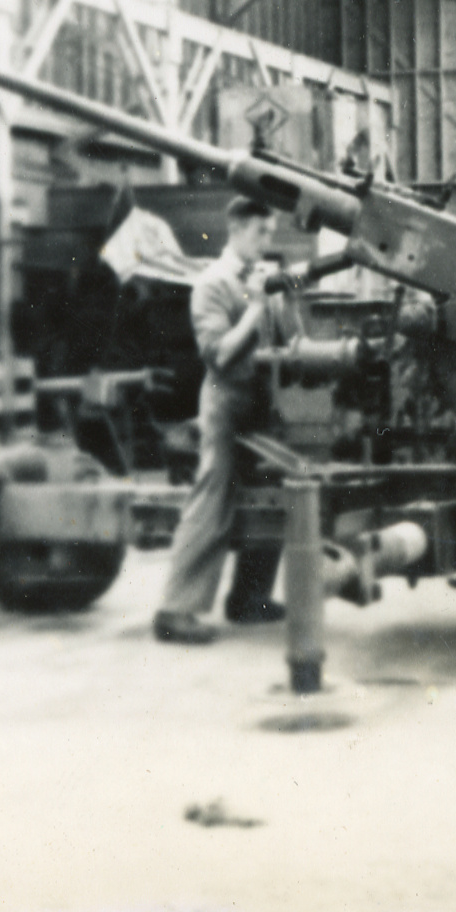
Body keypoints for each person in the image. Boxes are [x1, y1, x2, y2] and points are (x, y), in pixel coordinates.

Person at [153, 195, 290, 644]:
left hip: (265, 399)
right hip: (226, 398)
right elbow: (219, 354)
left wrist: (283, 304)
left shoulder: (261, 279)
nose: (267, 242)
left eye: (271, 233)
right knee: (214, 491)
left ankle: (250, 598)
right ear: (236, 230)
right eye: (260, 233)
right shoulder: (211, 283)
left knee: (272, 493)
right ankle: (176, 610)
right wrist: (255, 309)